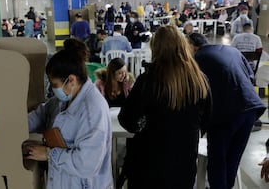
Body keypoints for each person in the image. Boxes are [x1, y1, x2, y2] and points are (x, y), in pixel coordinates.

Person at [118, 25, 212, 188]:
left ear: (156, 49)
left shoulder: (148, 80)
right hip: (185, 164)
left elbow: (127, 120)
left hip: (149, 165)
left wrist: (145, 123)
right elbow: (206, 120)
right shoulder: (200, 80)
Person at [24, 42, 113, 189]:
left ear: (71, 80)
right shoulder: (63, 100)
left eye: (55, 84)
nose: (53, 89)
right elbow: (42, 114)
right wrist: (16, 126)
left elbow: (86, 164)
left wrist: (48, 154)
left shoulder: (93, 110)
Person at [188, 33, 266, 189]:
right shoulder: (232, 50)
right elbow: (250, 76)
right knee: (232, 159)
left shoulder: (197, 59)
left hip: (225, 114)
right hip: (251, 109)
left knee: (218, 162)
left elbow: (193, 93)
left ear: (193, 47)